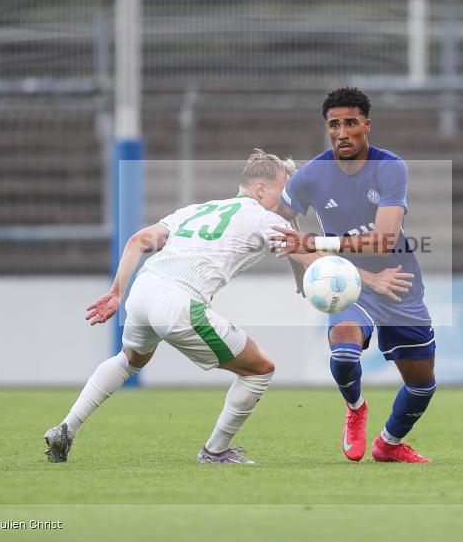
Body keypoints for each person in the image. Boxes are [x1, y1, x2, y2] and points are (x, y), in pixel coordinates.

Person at [44, 150, 297, 465]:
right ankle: (215, 451)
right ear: (261, 188)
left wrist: (116, 291)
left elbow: (138, 240)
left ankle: (66, 428)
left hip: (143, 289)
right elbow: (304, 250)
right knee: (260, 369)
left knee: (128, 361)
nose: (286, 199)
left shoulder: (195, 210)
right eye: (283, 190)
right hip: (179, 303)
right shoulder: (265, 217)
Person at [272, 87, 436, 463]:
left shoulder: (390, 167)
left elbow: (384, 239)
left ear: (367, 125)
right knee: (345, 353)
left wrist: (314, 241)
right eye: (334, 125)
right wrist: (304, 262)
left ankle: (389, 444)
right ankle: (356, 408)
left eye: (350, 123)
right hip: (347, 282)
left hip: (399, 283)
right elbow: (277, 227)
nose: (342, 132)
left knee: (422, 384)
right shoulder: (310, 176)